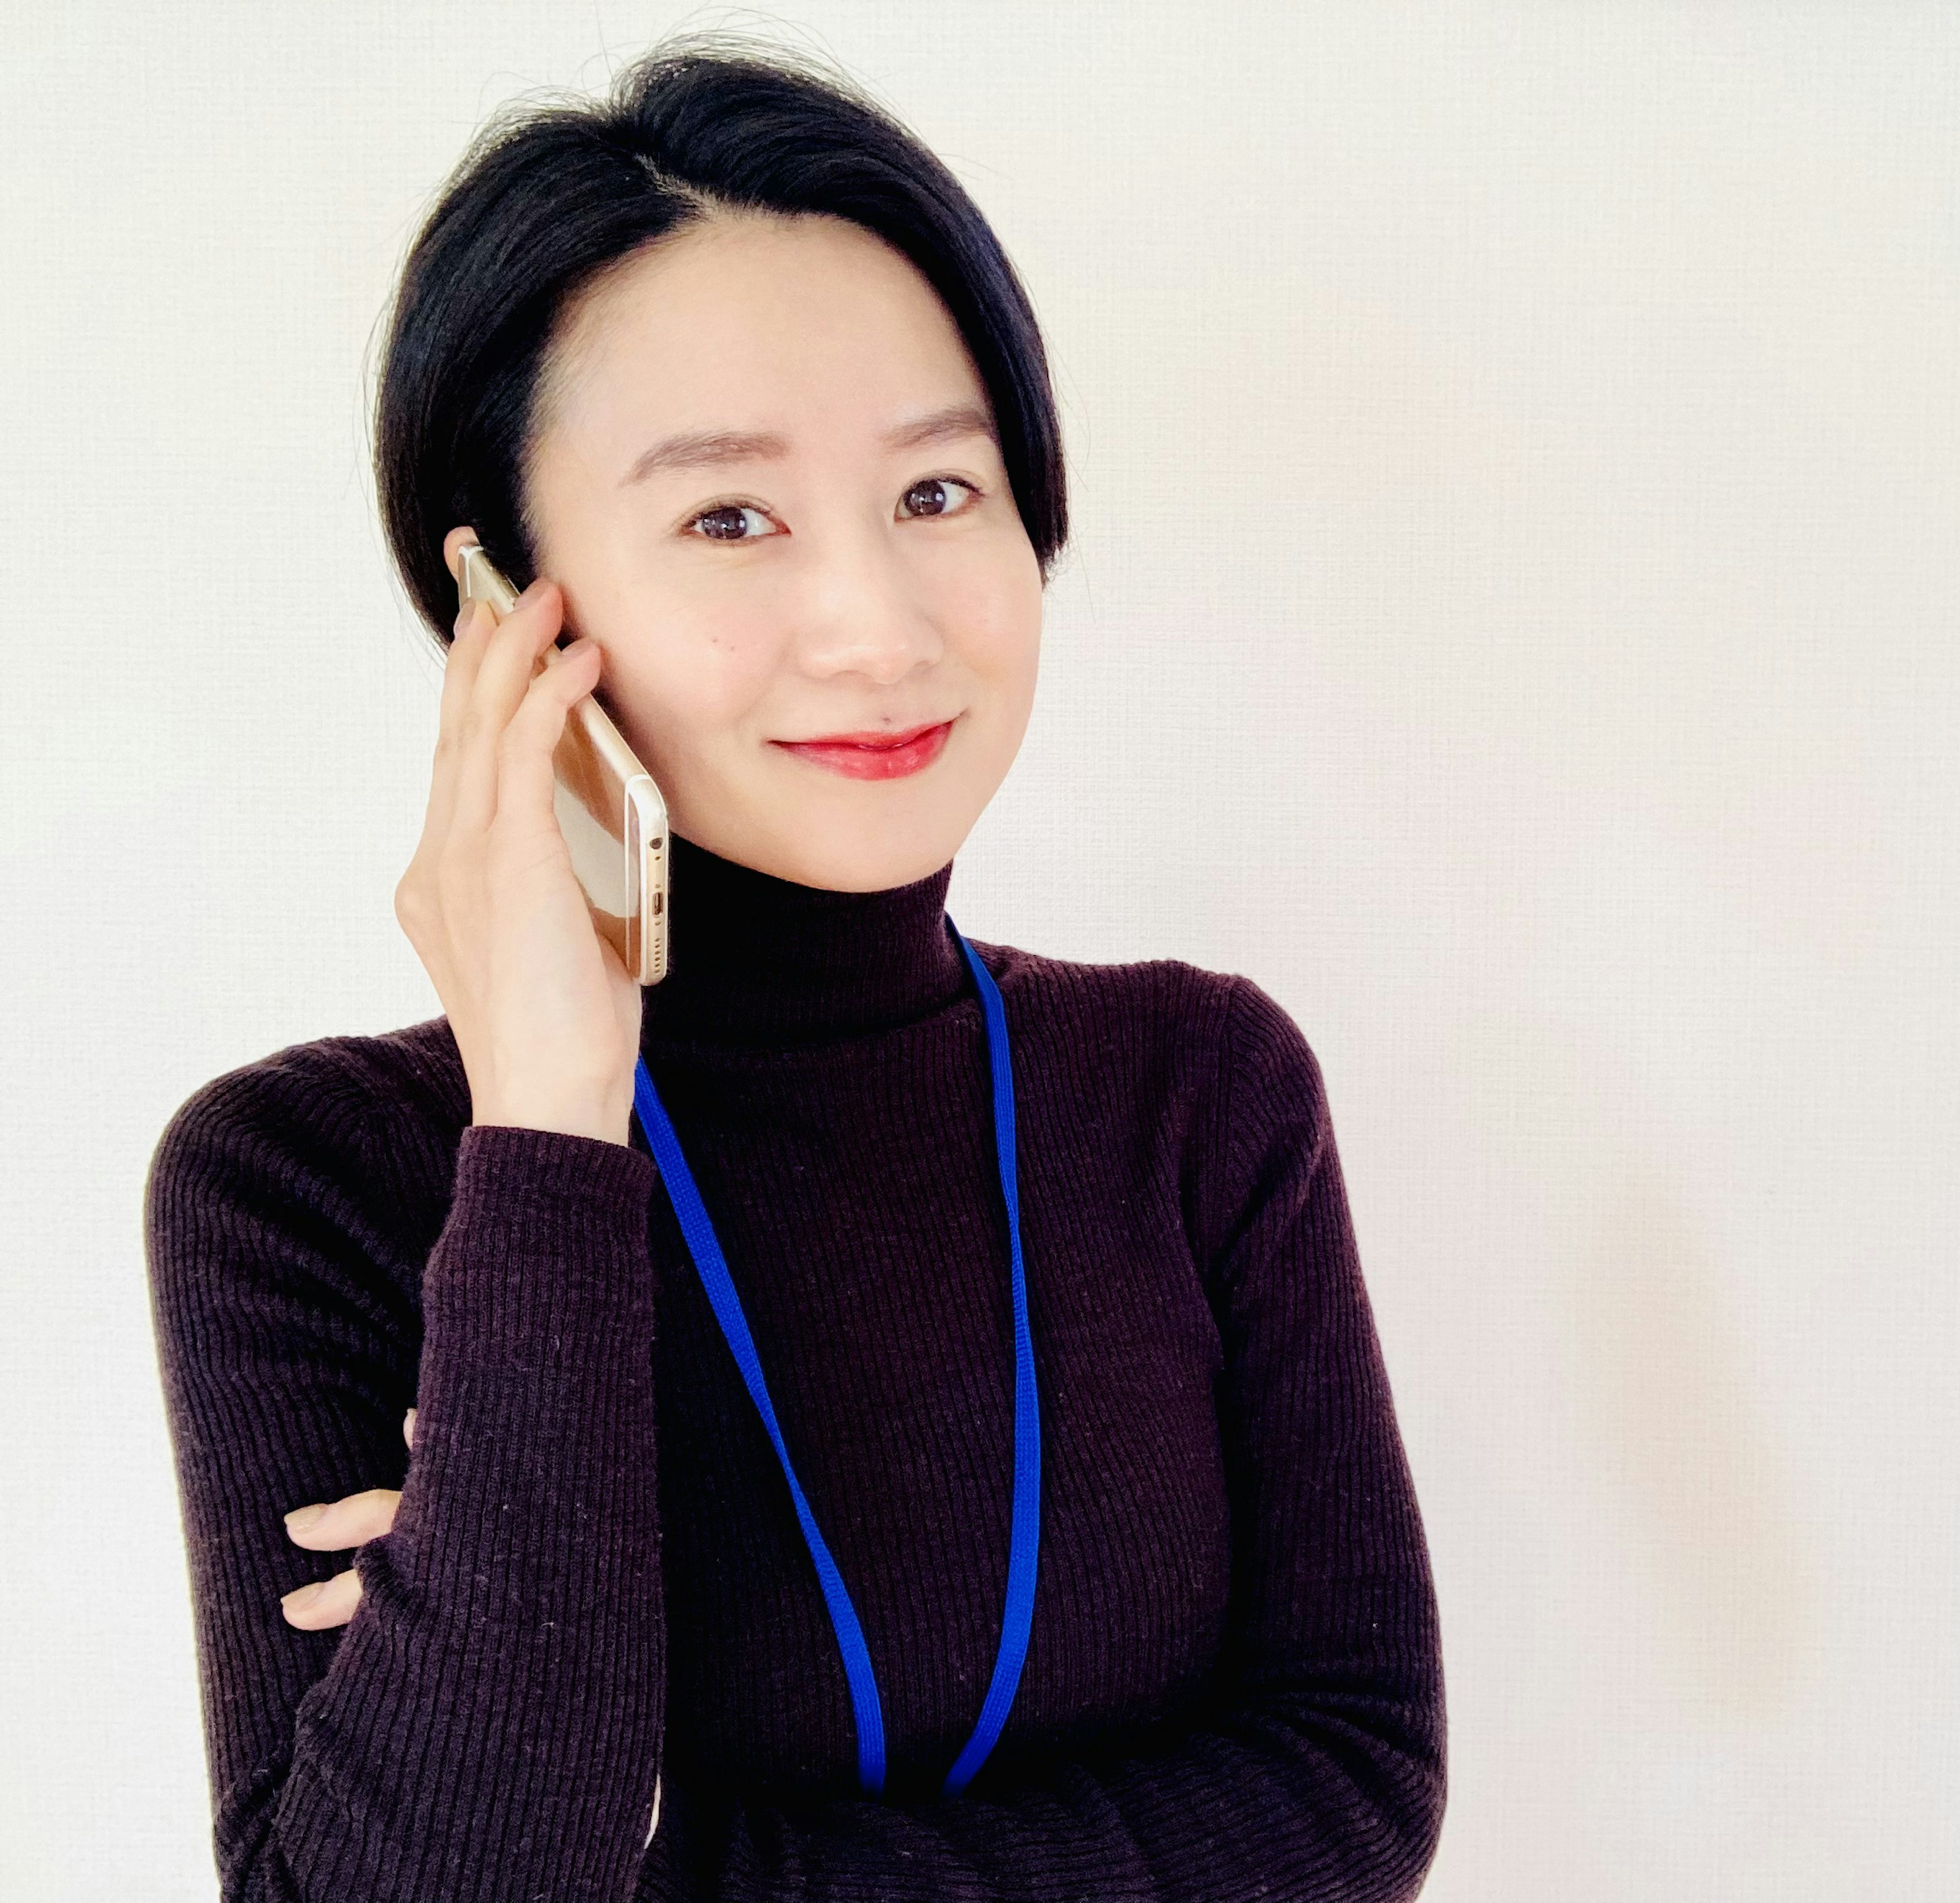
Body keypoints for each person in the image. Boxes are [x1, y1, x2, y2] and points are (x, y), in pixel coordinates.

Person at [142, 33, 1444, 1902]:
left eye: (938, 494)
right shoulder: (310, 1187)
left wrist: (679, 1854)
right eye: (728, 518)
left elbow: (1353, 1786)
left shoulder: (1198, 1091)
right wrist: (548, 1135)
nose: (878, 624)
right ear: (510, 610)